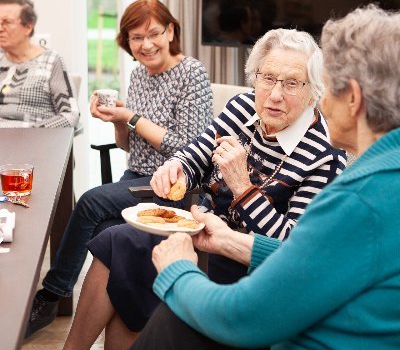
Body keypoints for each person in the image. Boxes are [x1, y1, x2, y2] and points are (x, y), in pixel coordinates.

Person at [130, 4, 400, 350]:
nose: (321, 104)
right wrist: (231, 241)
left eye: (326, 87)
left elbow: (243, 318)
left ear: (354, 99)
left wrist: (178, 270)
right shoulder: (381, 176)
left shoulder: (358, 199)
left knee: (173, 319)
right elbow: (309, 261)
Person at [62, 28, 346, 349]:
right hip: (202, 238)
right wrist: (178, 167)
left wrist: (243, 187)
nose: (275, 94)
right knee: (117, 241)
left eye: (292, 83)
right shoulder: (243, 107)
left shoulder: (324, 154)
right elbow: (198, 152)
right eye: (267, 78)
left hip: (251, 271)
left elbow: (292, 250)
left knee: (129, 266)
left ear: (314, 91)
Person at [25, 0, 213, 338]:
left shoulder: (192, 73)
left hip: (174, 185)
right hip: (136, 178)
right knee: (107, 232)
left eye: (153, 33)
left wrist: (131, 116)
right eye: (136, 38)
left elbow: (188, 146)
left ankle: (51, 294)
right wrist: (117, 122)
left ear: (170, 31)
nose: (146, 44)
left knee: (91, 201)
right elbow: (130, 145)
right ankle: (126, 318)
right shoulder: (139, 74)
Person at [0, 0, 79, 128]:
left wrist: (36, 132)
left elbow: (70, 115)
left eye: (6, 22)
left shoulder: (51, 60)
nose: (0, 28)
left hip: (34, 141)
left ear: (28, 27)